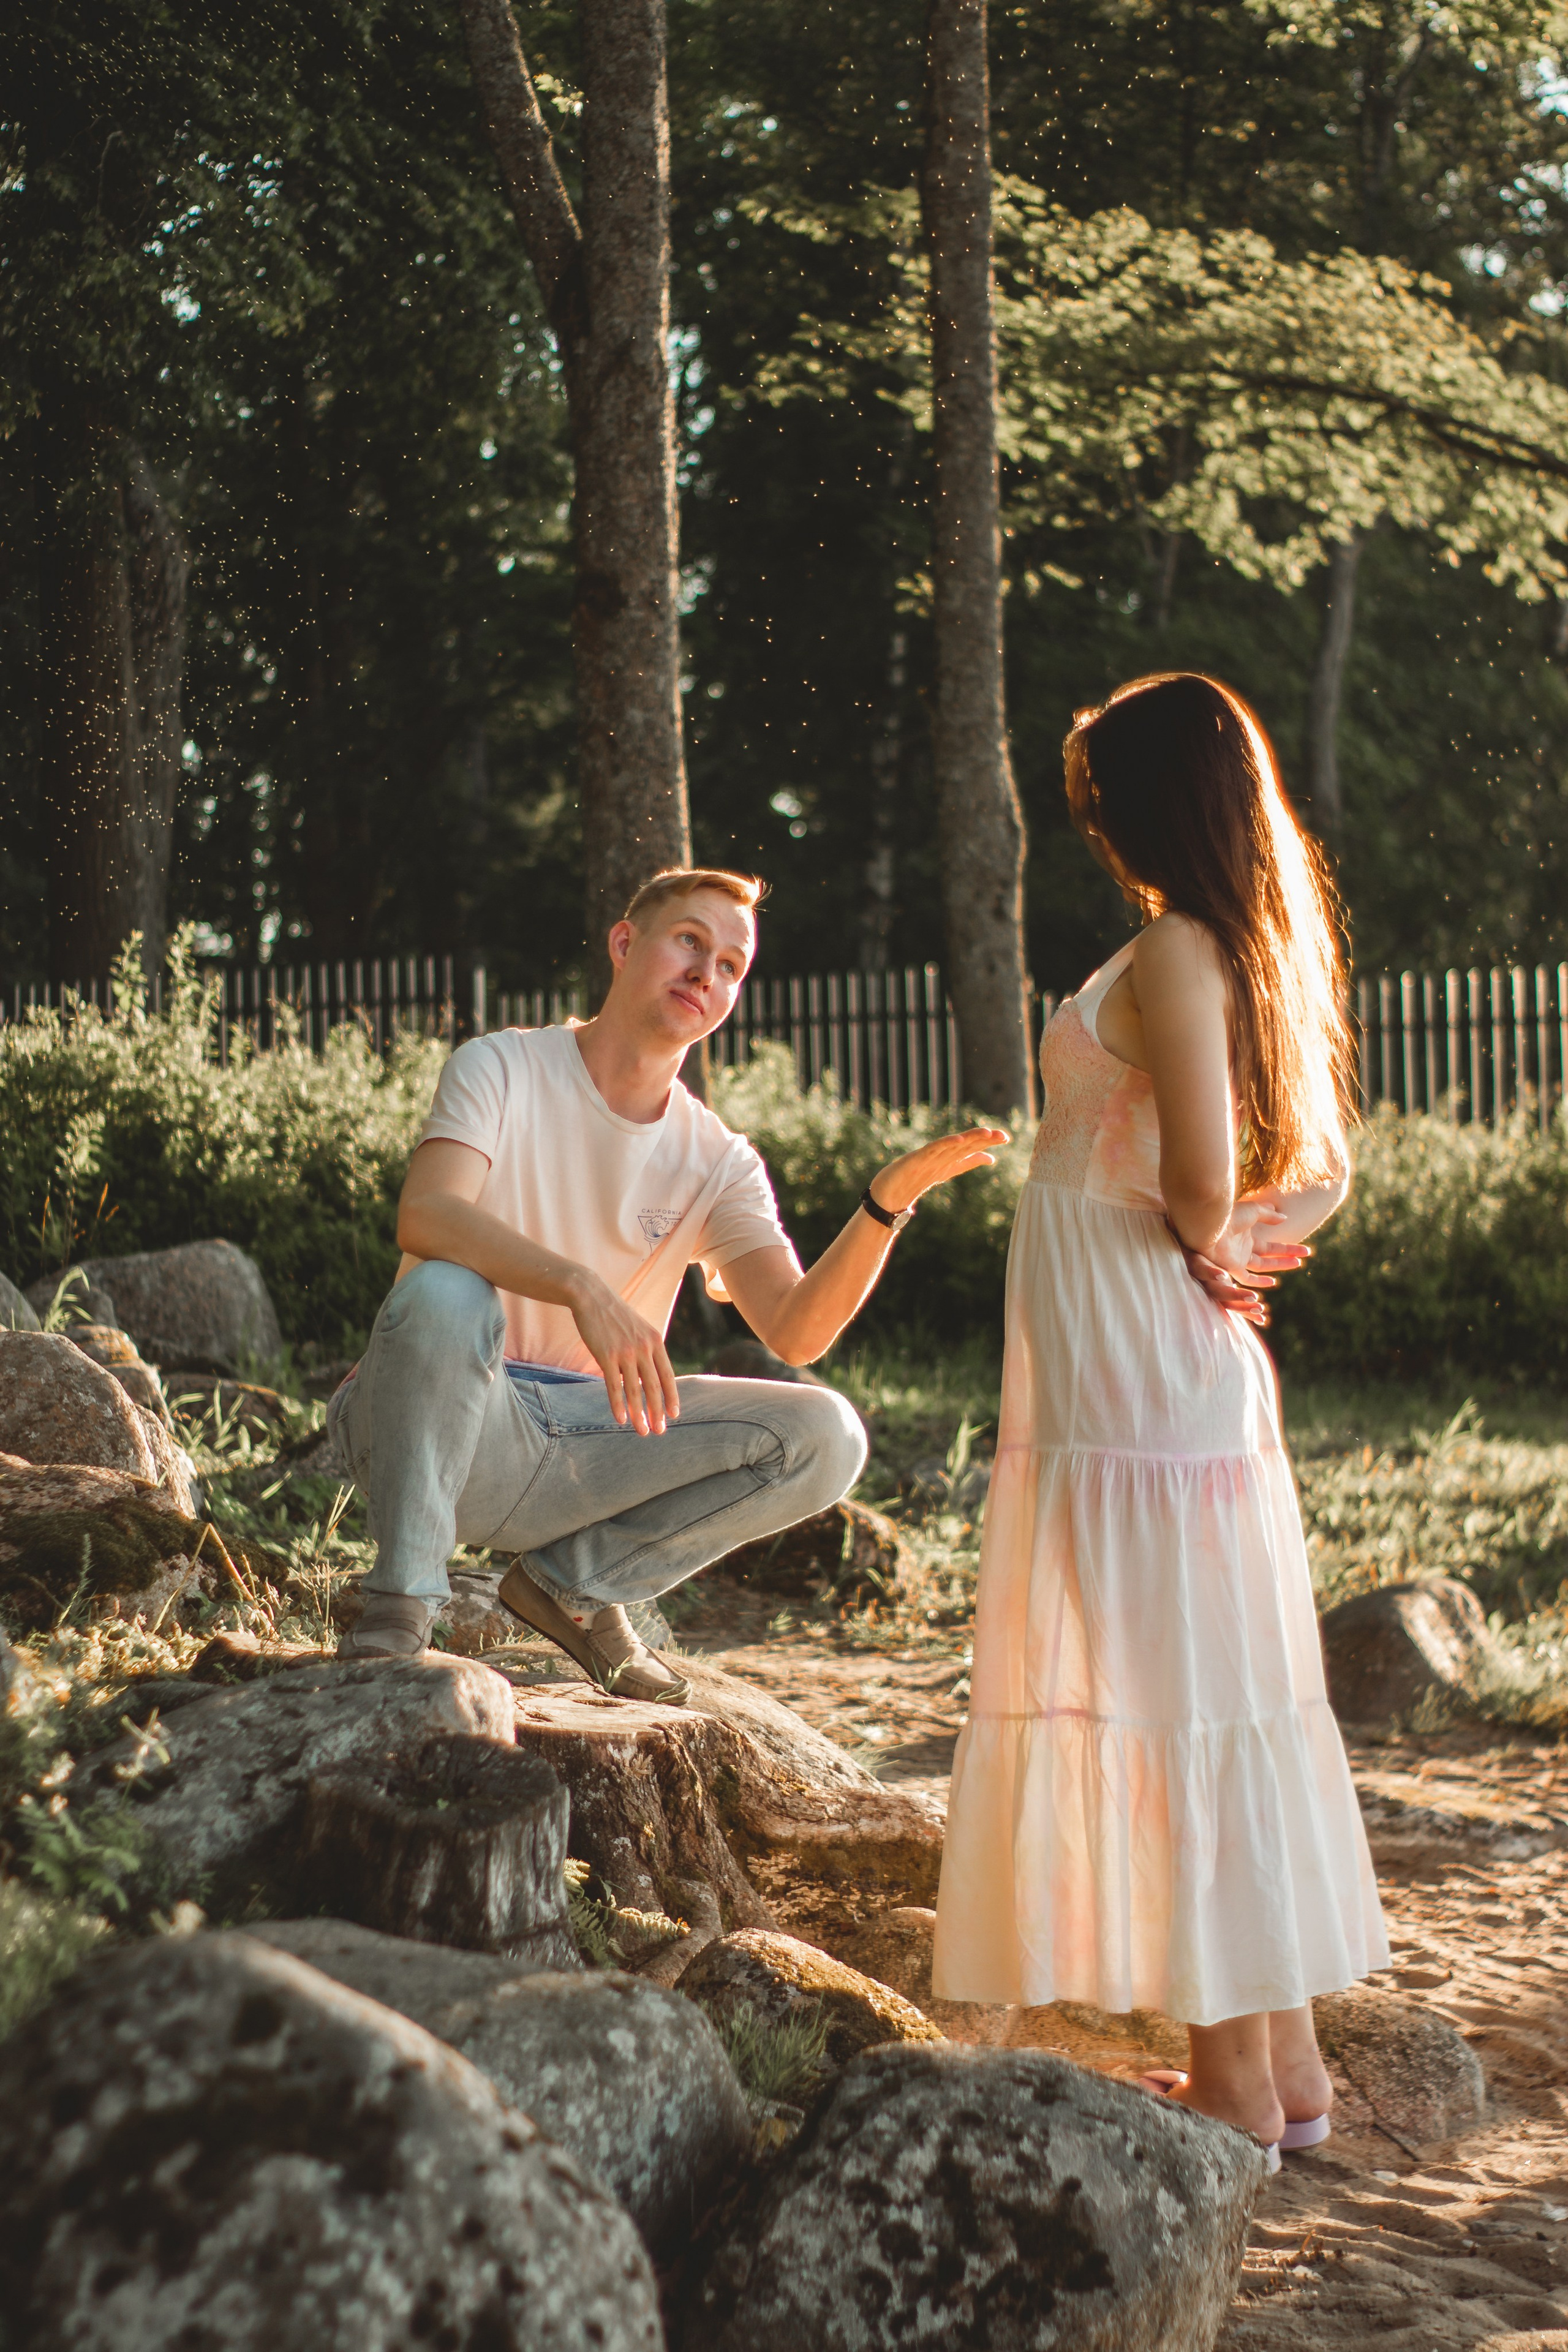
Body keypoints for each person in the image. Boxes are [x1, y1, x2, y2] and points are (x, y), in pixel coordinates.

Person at [932, 674, 1389, 2164]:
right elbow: (1297, 1178)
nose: (1088, 815)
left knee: (1171, 1703)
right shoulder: (1221, 950)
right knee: (1204, 1693)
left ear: (1140, 800)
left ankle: (1234, 2083)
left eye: (1094, 788)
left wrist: (1217, 1234)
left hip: (1135, 1367)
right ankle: (1289, 2066)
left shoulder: (1183, 951)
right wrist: (1237, 1234)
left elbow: (1201, 1178)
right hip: (1133, 1358)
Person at [328, 866, 1009, 1697]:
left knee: (828, 1434)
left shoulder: (719, 1160)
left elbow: (796, 1330)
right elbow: (427, 1216)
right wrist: (580, 1286)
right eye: (689, 940)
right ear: (625, 943)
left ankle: (573, 1588)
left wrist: (886, 1204)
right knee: (444, 1291)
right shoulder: (500, 1066)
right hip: (436, 1413)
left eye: (730, 964)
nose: (706, 973)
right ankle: (400, 1605)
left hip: (579, 1451)